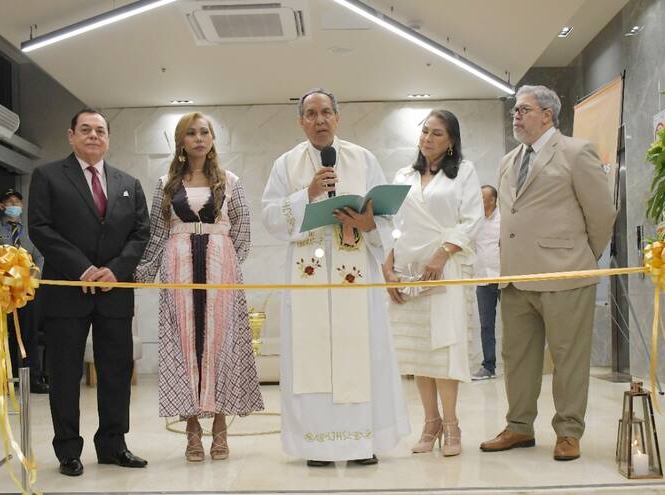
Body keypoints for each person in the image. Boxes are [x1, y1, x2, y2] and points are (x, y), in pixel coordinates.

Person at [262, 88, 409, 467]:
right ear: (301, 122)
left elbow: (389, 217)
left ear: (337, 118)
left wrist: (367, 222)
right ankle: (318, 445)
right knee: (312, 354)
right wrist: (307, 194)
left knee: (361, 350)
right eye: (310, 113)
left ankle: (363, 442)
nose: (319, 119)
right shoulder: (286, 163)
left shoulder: (363, 158)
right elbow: (270, 217)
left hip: (355, 276)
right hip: (308, 274)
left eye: (326, 112)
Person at [480, 85, 616, 461]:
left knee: (569, 357)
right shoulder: (509, 160)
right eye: (514, 111)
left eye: (524, 109)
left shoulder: (575, 152)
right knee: (517, 358)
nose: (516, 116)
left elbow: (602, 214)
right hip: (515, 278)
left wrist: (583, 255)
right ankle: (519, 427)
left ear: (548, 115)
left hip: (565, 274)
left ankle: (569, 431)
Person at [134, 112, 263, 462]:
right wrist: (142, 273)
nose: (199, 138)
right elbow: (158, 234)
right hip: (178, 265)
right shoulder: (166, 184)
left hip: (220, 266)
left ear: (212, 139)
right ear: (181, 141)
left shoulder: (230, 181)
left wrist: (230, 266)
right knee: (184, 343)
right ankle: (192, 431)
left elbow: (242, 229)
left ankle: (220, 428)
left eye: (204, 132)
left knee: (220, 343)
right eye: (191, 133)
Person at [29, 109, 150, 477]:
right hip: (68, 291)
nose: (93, 136)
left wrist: (116, 269)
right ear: (71, 136)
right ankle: (68, 450)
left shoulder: (127, 181)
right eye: (86, 130)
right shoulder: (48, 176)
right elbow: (40, 228)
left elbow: (140, 233)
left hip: (114, 292)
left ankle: (113, 446)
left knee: (116, 371)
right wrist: (81, 268)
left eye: (100, 130)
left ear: (108, 138)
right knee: (65, 374)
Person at [384, 109, 483, 457]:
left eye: (437, 133)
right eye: (425, 131)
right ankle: (430, 423)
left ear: (452, 141)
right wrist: (388, 269)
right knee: (418, 351)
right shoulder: (402, 174)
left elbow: (473, 219)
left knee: (444, 346)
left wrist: (441, 255)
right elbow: (390, 225)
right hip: (409, 269)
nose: (428, 138)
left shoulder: (464, 173)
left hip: (446, 268)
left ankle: (452, 424)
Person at [0, 189, 49, 394]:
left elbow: (40, 258)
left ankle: (33, 379)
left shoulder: (30, 231)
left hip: (27, 293)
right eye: (10, 202)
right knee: (4, 335)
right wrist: (8, 283)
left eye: (17, 202)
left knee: (30, 335)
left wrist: (31, 282)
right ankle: (5, 379)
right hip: (2, 293)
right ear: (2, 206)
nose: (14, 206)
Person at [471, 185, 500, 381]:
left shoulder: (505, 219)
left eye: (481, 198)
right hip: (482, 278)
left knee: (516, 324)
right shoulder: (475, 221)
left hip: (505, 277)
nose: (478, 201)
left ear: (492, 200)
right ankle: (488, 367)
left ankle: (518, 365)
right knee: (486, 325)